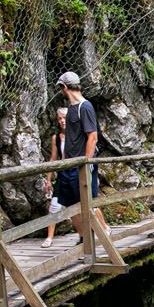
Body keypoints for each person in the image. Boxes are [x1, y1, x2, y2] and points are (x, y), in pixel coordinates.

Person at [43, 71, 104, 248]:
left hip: (81, 166)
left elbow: (92, 136)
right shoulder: (70, 109)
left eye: (60, 89)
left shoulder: (85, 107)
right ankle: (84, 238)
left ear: (64, 87)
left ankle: (100, 235)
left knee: (86, 203)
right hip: (68, 166)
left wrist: (86, 162)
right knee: (71, 205)